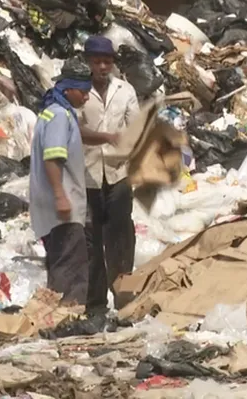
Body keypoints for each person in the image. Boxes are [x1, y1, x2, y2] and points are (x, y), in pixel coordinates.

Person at [79, 36, 140, 315]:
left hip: (118, 174)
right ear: (87, 62)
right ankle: (96, 303)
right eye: (97, 61)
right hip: (87, 175)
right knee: (91, 241)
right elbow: (75, 130)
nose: (103, 67)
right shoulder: (77, 92)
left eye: (107, 61)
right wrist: (105, 137)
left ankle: (123, 296)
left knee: (120, 238)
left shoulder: (125, 90)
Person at [29, 60, 95, 304]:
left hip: (56, 205)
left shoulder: (57, 111)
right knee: (71, 267)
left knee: (62, 261)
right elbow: (53, 157)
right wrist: (60, 195)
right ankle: (67, 316)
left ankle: (58, 315)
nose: (87, 97)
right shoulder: (58, 115)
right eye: (84, 92)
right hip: (62, 207)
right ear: (69, 89)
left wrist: (108, 137)